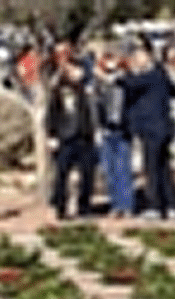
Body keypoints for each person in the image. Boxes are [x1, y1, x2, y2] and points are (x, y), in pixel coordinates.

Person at [121, 36, 175, 219]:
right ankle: (171, 205)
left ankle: (155, 206)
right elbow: (174, 91)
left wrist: (118, 74)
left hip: (154, 129)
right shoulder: (160, 74)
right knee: (163, 167)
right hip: (160, 128)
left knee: (153, 168)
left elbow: (129, 83)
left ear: (148, 56)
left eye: (139, 55)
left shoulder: (153, 74)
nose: (136, 59)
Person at [46, 55, 96, 221]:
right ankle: (61, 207)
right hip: (65, 136)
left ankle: (84, 207)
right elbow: (52, 113)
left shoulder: (88, 89)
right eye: (72, 70)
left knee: (87, 174)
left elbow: (94, 112)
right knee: (62, 174)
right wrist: (52, 135)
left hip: (85, 135)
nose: (76, 73)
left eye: (78, 70)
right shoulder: (59, 90)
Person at [94, 47, 133, 218]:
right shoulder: (99, 84)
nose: (111, 63)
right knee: (109, 169)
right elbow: (95, 105)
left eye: (114, 59)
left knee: (123, 167)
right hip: (105, 129)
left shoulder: (126, 79)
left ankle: (127, 205)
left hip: (122, 128)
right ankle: (116, 204)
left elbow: (119, 82)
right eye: (108, 59)